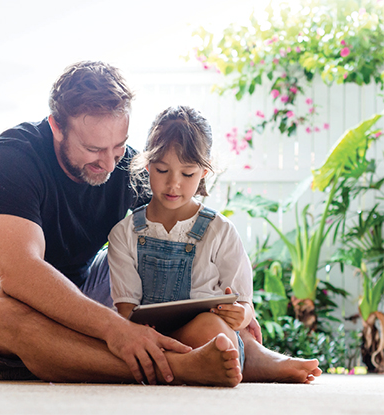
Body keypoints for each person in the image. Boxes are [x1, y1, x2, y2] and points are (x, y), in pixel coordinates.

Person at [0, 61, 243, 387]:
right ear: (56, 127)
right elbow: (19, 275)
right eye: (93, 149)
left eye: (118, 145)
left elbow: (184, 233)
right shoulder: (8, 161)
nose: (109, 162)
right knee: (3, 313)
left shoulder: (123, 166)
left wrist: (233, 304)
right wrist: (116, 329)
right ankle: (178, 369)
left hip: (79, 286)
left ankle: (251, 357)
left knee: (155, 251)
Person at [107, 105, 323, 383]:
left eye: (187, 174)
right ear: (147, 165)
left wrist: (239, 314)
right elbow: (126, 311)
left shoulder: (219, 230)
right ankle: (233, 365)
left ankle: (225, 361)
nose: (174, 184)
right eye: (162, 170)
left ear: (204, 172)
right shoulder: (124, 233)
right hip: (151, 337)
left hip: (205, 331)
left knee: (213, 331)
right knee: (198, 338)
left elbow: (245, 304)